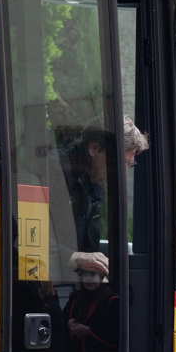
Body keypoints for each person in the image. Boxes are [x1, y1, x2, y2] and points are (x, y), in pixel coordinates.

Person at [57, 115, 149, 279]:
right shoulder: (53, 172)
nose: (123, 172)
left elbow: (88, 246)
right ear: (93, 148)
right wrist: (76, 257)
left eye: (129, 163)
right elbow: (29, 241)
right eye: (119, 161)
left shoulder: (95, 184)